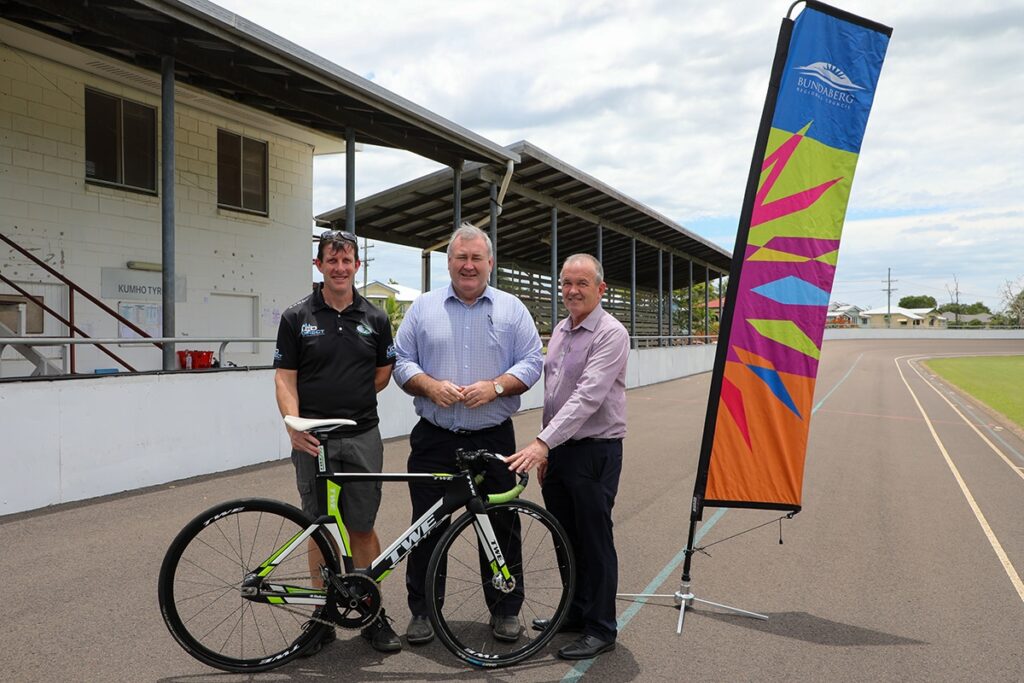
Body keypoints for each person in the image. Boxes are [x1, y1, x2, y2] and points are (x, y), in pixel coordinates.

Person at [393, 223, 543, 645]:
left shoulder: (512, 310)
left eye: (477, 258)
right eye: (462, 257)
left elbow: (532, 363)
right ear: (449, 262)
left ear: (490, 263)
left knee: (500, 524)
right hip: (435, 437)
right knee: (426, 526)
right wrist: (428, 385)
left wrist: (496, 386)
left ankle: (506, 609)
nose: (469, 265)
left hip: (492, 438)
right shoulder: (422, 309)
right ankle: (422, 610)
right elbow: (402, 362)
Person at [273, 229, 401, 654]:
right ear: (320, 265)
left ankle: (371, 611)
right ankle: (322, 616)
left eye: (348, 261)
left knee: (362, 527)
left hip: (363, 436)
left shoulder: (376, 319)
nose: (340, 268)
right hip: (313, 442)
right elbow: (284, 377)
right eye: (332, 261)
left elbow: (382, 374)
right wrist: (294, 425)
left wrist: (353, 399)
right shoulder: (296, 317)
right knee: (319, 529)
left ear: (357, 266)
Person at [506, 253, 629, 661]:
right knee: (565, 538)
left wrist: (541, 443)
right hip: (559, 451)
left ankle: (601, 627)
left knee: (595, 542)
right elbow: (553, 397)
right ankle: (575, 613)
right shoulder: (560, 329)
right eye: (566, 283)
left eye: (581, 283)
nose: (572, 291)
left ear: (600, 289)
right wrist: (548, 450)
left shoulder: (611, 333)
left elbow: (587, 398)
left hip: (595, 451)